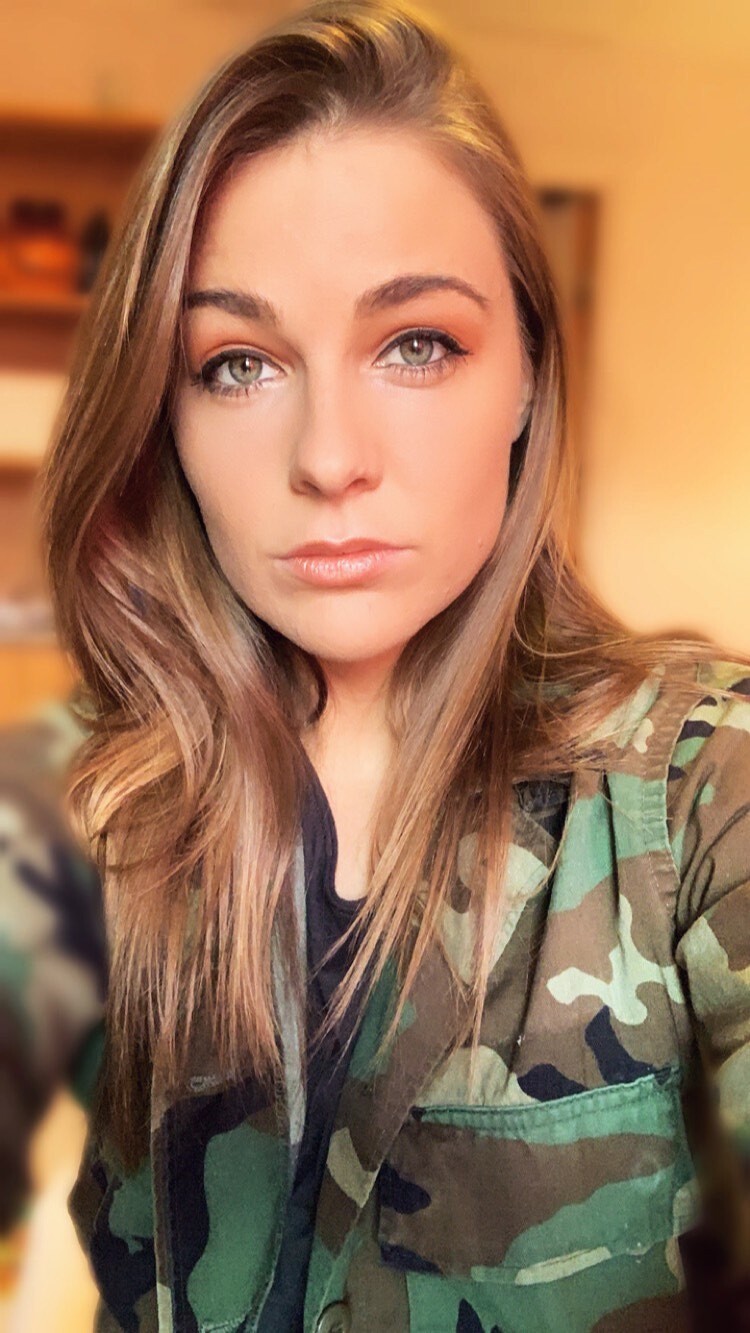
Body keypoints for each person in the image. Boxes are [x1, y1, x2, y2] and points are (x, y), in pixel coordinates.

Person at [30, 0, 750, 1328]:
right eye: (236, 364)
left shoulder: (701, 788)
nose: (327, 458)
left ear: (527, 373)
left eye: (417, 344)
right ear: (161, 411)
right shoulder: (80, 801)